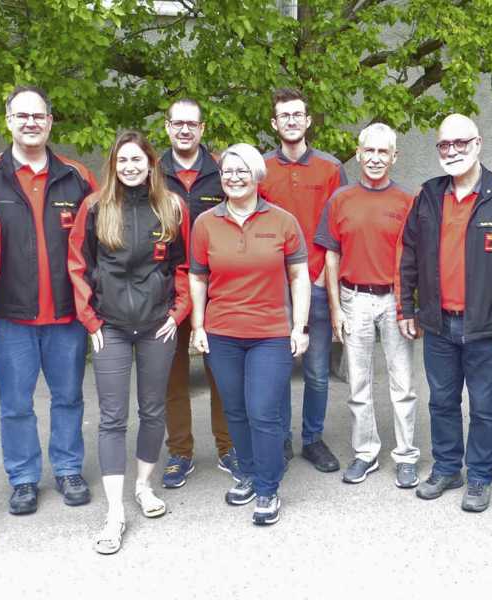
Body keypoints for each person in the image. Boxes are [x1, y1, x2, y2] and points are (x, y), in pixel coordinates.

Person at [397, 114, 492, 512]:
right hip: (438, 322)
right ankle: (447, 468)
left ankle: (479, 474)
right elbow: (407, 253)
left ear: (478, 144)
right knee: (441, 400)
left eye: (461, 142)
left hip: (485, 325)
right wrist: (406, 306)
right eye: (445, 144)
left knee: (485, 405)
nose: (453, 150)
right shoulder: (427, 195)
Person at [67, 131, 190, 554]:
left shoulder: (171, 207)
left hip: (157, 326)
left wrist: (177, 314)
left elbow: (183, 266)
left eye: (138, 160)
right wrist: (90, 320)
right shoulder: (95, 207)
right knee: (112, 418)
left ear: (151, 164)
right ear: (113, 166)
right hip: (111, 328)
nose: (130, 167)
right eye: (123, 161)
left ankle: (143, 487)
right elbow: (78, 266)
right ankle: (115, 512)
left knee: (153, 410)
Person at [0, 85, 96, 515]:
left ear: (49, 122)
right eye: (22, 115)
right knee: (15, 405)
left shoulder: (77, 177)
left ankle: (68, 468)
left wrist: (92, 305)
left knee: (69, 398)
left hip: (66, 317)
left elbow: (98, 242)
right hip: (8, 317)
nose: (31, 123)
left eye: (38, 116)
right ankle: (23, 478)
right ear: (9, 121)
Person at [190, 143, 310, 526]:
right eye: (227, 171)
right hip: (222, 333)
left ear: (257, 175)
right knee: (235, 410)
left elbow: (299, 276)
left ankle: (268, 487)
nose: (234, 177)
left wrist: (300, 327)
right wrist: (198, 326)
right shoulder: (205, 223)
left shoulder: (283, 222)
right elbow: (198, 277)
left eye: (242, 171)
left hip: (270, 334)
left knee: (263, 412)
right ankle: (248, 472)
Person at [315, 123, 419, 488]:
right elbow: (331, 256)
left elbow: (415, 258)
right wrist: (335, 308)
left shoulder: (406, 201)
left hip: (393, 299)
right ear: (358, 154)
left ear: (394, 157)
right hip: (353, 298)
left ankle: (406, 455)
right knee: (358, 384)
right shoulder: (340, 199)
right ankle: (366, 453)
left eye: (382, 152)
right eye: (369, 151)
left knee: (402, 383)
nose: (375, 158)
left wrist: (410, 306)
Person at [259, 88, 346, 472]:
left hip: (317, 283)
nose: (291, 121)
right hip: (273, 288)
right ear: (274, 123)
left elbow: (339, 228)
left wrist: (327, 280)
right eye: (285, 115)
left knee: (316, 372)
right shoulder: (261, 169)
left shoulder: (330, 168)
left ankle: (313, 439)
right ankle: (280, 438)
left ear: (308, 121)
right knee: (278, 370)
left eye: (298, 114)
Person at [159, 98, 238, 488]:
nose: (185, 130)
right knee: (171, 377)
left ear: (202, 128)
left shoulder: (223, 171)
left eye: (192, 123)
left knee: (222, 373)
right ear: (167, 127)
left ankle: (229, 447)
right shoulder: (152, 173)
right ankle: (180, 452)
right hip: (166, 291)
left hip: (215, 288)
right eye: (178, 123)